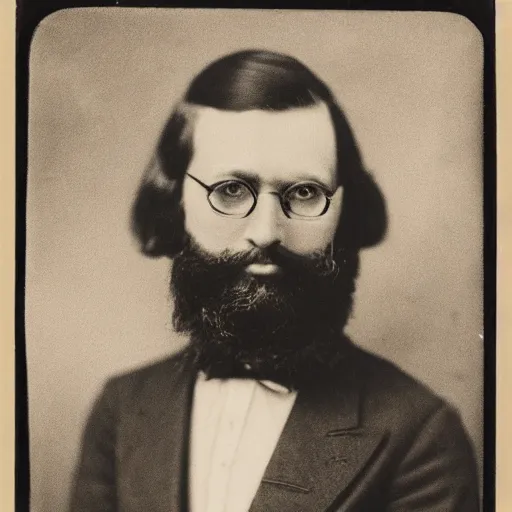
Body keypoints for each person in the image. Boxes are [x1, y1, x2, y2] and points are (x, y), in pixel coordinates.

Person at [69, 50, 479, 512]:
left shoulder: (421, 435)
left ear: (345, 211)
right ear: (175, 200)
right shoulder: (123, 409)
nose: (266, 231)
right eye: (230, 190)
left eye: (305, 193)